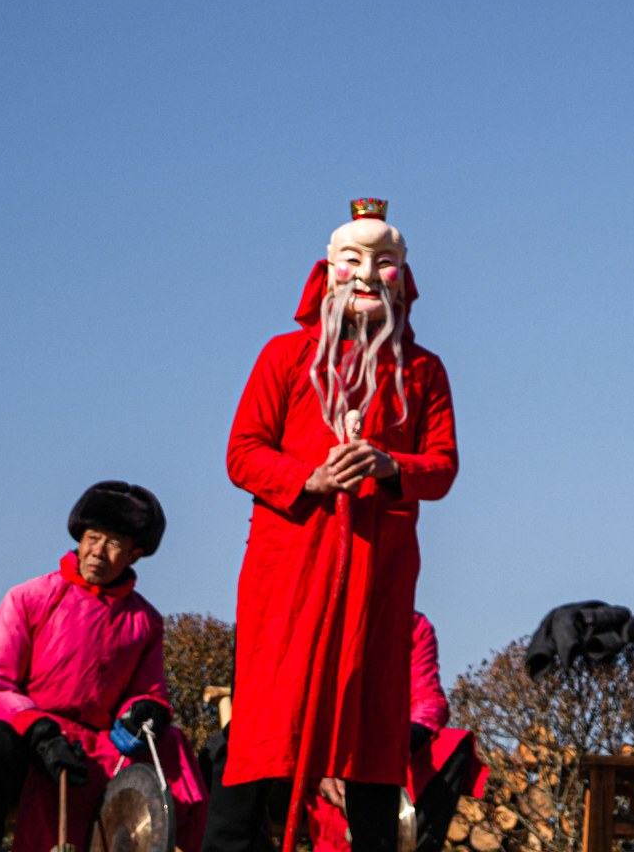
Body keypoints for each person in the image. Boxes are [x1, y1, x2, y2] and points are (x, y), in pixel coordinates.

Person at [210, 199, 460, 852]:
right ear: (327, 271)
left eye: (384, 263)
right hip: (287, 568)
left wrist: (388, 462)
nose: (368, 275)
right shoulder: (284, 357)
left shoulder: (424, 370)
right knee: (270, 720)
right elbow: (243, 452)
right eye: (353, 260)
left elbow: (442, 468)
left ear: (403, 276)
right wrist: (309, 478)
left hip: (379, 571)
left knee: (371, 728)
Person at [0, 481, 206, 852]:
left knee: (171, 742)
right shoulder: (30, 597)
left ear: (134, 554)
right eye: (92, 537)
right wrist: (40, 730)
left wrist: (145, 711)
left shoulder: (146, 621)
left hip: (96, 749)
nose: (97, 552)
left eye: (113, 543)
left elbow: (148, 693)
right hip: (27, 734)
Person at [304, 611, 490, 852]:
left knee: (454, 744)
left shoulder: (413, 626)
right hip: (329, 766)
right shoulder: (324, 620)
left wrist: (400, 743)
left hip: (394, 760)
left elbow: (428, 699)